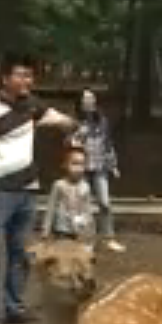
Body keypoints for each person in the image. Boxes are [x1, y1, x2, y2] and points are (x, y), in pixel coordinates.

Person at [0, 54, 77, 324]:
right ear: (4, 78)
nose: (27, 81)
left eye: (30, 76)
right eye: (21, 75)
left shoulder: (32, 105)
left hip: (27, 189)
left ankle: (13, 305)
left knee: (20, 252)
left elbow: (57, 119)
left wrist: (72, 124)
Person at [70, 89, 125, 252]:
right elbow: (68, 143)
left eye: (92, 99)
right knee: (82, 205)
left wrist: (113, 165)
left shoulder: (102, 120)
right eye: (86, 99)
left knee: (105, 203)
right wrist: (78, 136)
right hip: (81, 169)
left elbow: (108, 144)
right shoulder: (74, 122)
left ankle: (109, 238)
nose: (90, 102)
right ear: (80, 103)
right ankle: (85, 240)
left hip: (100, 167)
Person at [42, 147, 98, 242]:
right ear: (65, 165)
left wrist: (91, 229)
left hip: (79, 228)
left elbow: (88, 209)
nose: (78, 168)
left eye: (82, 165)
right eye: (74, 164)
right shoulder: (59, 185)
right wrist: (45, 230)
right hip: (62, 229)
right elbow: (50, 209)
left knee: (79, 254)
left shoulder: (85, 187)